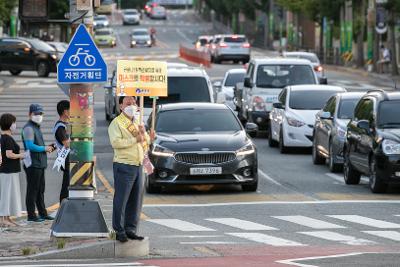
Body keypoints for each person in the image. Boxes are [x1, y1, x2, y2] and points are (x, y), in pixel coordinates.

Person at [108, 96, 151, 242]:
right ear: (121, 106)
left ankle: (130, 229)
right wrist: (135, 139)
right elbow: (116, 143)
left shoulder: (138, 122)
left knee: (136, 199)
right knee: (121, 199)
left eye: (134, 103)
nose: (132, 105)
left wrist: (149, 136)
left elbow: (144, 142)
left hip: (138, 164)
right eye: (128, 103)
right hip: (124, 164)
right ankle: (119, 230)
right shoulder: (117, 123)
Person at [22, 104, 55, 222]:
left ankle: (42, 213)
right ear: (30, 114)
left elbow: (38, 145)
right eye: (36, 114)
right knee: (32, 190)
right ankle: (31, 215)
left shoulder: (36, 127)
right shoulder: (28, 128)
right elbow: (30, 146)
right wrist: (44, 148)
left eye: (41, 114)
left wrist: (48, 147)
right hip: (32, 164)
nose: (39, 116)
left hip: (39, 164)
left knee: (40, 190)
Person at [0, 113, 25, 227]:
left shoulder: (4, 138)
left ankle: (7, 217)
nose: (15, 125)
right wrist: (22, 155)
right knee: (6, 194)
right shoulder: (8, 139)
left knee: (8, 194)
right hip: (7, 171)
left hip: (8, 170)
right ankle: (2, 218)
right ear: (9, 124)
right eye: (14, 123)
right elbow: (9, 155)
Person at [54, 100, 70, 203]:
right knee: (66, 184)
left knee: (68, 183)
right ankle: (63, 205)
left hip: (66, 158)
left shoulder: (64, 125)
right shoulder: (60, 127)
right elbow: (66, 144)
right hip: (65, 158)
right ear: (65, 111)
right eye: (70, 109)